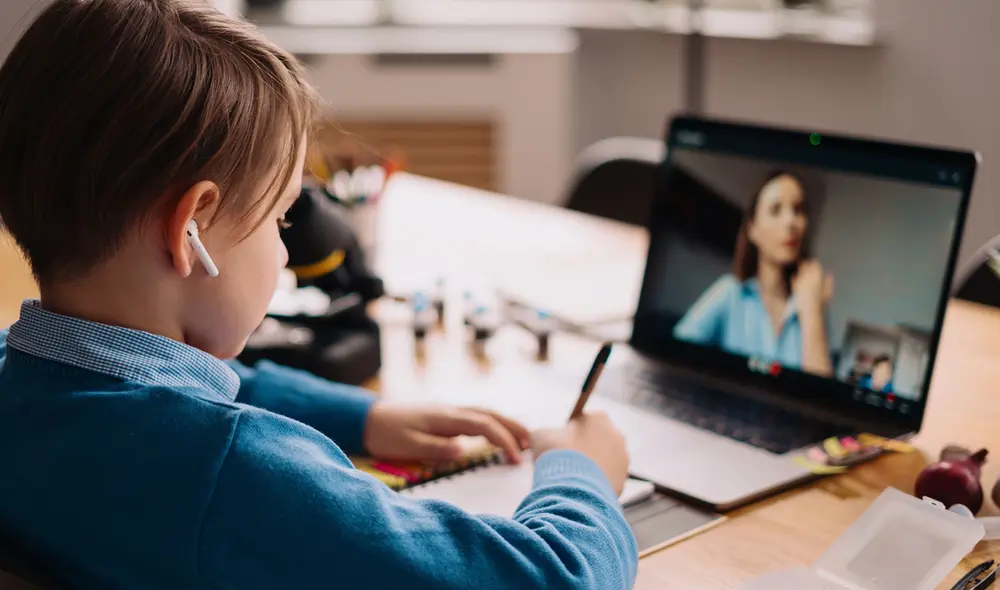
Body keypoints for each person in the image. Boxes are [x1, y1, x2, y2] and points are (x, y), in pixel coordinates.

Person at [0, 1, 637, 588]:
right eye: (280, 220)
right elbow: (553, 580)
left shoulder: (22, 380)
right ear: (190, 228)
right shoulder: (235, 474)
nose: (284, 251)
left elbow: (156, 390)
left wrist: (363, 418)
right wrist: (580, 473)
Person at [673, 171, 835, 377]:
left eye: (798, 209)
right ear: (753, 229)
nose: (790, 222)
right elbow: (673, 356)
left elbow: (821, 400)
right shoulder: (730, 293)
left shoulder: (813, 307)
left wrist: (812, 312)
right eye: (776, 210)